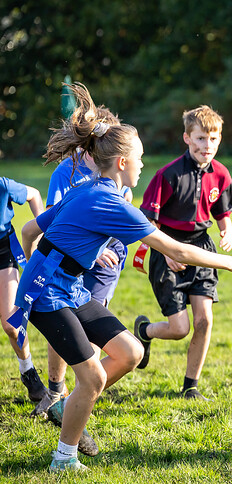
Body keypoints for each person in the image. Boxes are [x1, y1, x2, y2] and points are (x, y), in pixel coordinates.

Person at [15, 83, 232, 473]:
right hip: (50, 296)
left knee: (131, 353)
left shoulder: (89, 189)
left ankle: (70, 408)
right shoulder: (108, 201)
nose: (143, 165)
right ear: (121, 163)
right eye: (140, 158)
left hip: (71, 288)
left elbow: (29, 232)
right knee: (94, 376)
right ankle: (63, 458)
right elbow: (177, 250)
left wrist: (37, 263)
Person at [32, 105, 134, 419]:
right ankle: (57, 390)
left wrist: (108, 246)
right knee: (65, 326)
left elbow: (120, 210)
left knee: (94, 334)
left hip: (104, 262)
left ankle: (77, 398)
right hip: (68, 262)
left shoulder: (117, 168)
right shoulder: (67, 171)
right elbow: (54, 220)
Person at [134, 104, 232, 401]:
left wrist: (226, 230)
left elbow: (221, 211)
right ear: (187, 138)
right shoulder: (168, 175)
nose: (208, 145)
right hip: (167, 245)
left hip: (202, 247)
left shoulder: (222, 174)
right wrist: (167, 252)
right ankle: (146, 331)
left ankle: (190, 386)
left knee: (205, 321)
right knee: (179, 328)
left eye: (213, 139)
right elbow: (148, 221)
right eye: (201, 138)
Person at [0, 177, 46, 403]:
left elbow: (34, 194)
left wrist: (45, 232)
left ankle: (28, 371)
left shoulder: (3, 185)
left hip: (2, 252)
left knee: (12, 324)